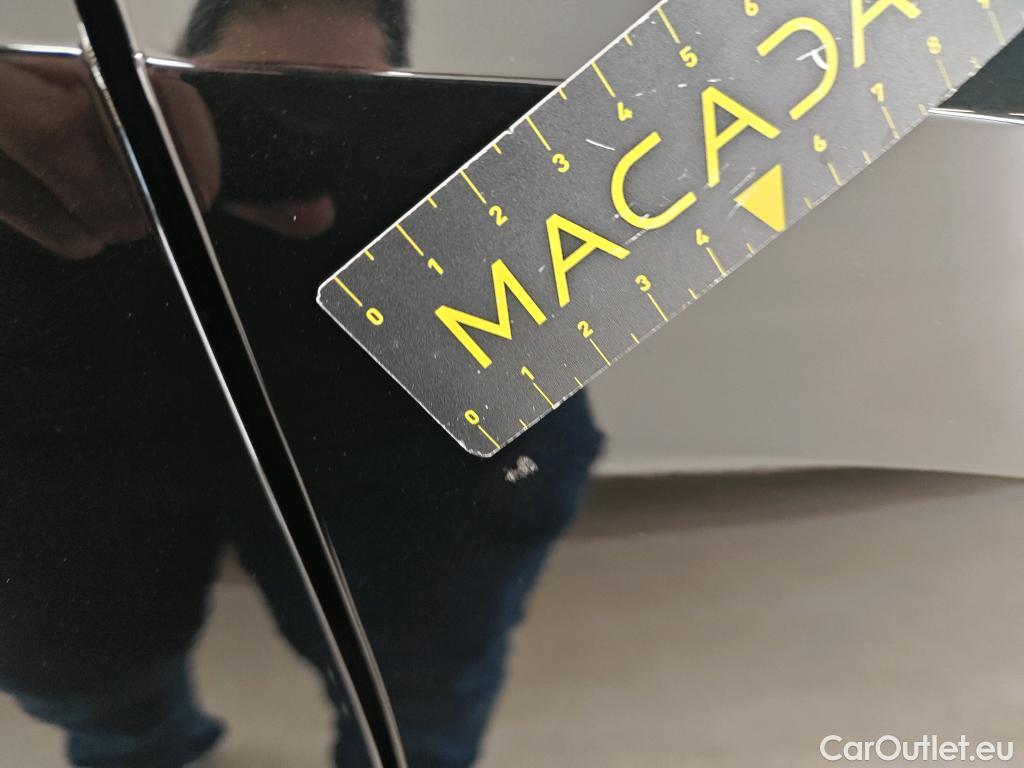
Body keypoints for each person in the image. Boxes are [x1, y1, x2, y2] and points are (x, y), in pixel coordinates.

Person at [0, 1, 603, 766]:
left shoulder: (476, 186)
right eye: (252, 112)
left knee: (418, 678)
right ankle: (139, 741)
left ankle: (138, 740)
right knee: (79, 668)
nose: (290, 140)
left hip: (403, 402)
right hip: (76, 381)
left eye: (337, 115)